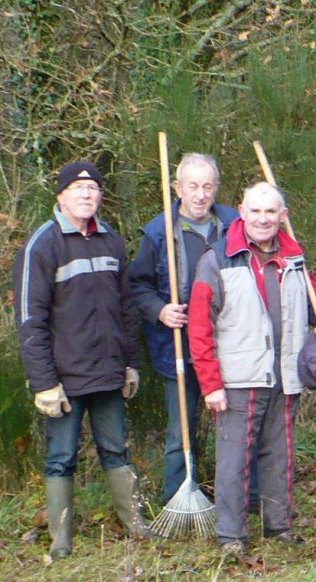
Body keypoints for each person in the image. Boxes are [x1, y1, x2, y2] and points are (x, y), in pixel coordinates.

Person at [187, 182, 316, 555]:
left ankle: (278, 527)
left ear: (282, 216)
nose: (263, 219)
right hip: (239, 378)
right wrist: (211, 384)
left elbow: (315, 295)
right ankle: (231, 537)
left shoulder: (293, 257)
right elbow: (198, 326)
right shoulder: (218, 258)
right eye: (255, 211)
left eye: (271, 212)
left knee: (279, 454)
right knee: (234, 460)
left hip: (285, 376)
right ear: (241, 211)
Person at [13, 160, 152, 559]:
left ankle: (136, 527)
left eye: (93, 189)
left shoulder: (111, 240)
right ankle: (60, 543)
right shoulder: (42, 244)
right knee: (60, 458)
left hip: (108, 374)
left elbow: (126, 310)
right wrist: (43, 383)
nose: (87, 195)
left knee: (116, 450)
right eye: (77, 189)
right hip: (63, 380)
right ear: (60, 195)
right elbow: (29, 320)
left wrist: (131, 364)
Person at [128, 153, 239, 504]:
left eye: (208, 186)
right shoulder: (158, 231)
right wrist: (160, 310)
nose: (201, 194)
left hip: (230, 346)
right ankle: (177, 497)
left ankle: (236, 497)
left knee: (234, 426)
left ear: (216, 189)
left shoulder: (234, 225)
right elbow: (136, 286)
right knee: (182, 429)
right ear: (178, 188)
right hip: (178, 348)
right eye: (192, 186)